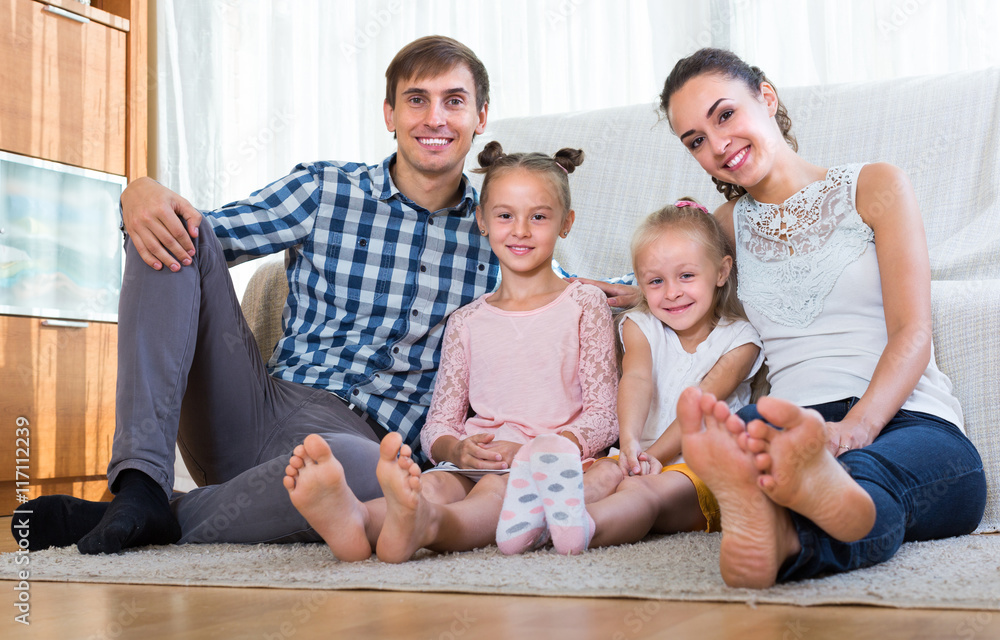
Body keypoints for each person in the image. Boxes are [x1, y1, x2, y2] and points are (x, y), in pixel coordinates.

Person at [15, 35, 503, 553]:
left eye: (454, 101)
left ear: (481, 116)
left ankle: (155, 515)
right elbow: (203, 234)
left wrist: (596, 292)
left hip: (361, 443)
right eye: (416, 99)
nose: (435, 118)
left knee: (366, 468)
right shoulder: (326, 189)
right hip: (258, 405)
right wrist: (139, 194)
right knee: (168, 234)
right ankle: (139, 481)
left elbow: (554, 288)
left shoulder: (502, 228)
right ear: (389, 113)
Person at [657, 47, 986, 588]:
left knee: (865, 470)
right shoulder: (725, 229)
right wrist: (603, 291)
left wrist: (856, 428)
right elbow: (665, 273)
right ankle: (782, 521)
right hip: (791, 424)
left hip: (908, 419)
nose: (717, 145)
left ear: (766, 97)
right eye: (695, 140)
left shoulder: (874, 186)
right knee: (752, 439)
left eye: (725, 115)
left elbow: (914, 332)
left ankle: (793, 524)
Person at [282, 142, 619, 562]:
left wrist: (540, 449)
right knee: (433, 485)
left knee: (497, 489)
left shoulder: (584, 303)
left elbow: (604, 418)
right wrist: (454, 450)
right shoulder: (467, 322)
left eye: (539, 217)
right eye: (504, 216)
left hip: (548, 464)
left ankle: (428, 525)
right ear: (482, 220)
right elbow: (439, 422)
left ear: (565, 223)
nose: (520, 230)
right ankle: (355, 519)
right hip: (474, 457)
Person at [563, 199, 764, 552]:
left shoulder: (740, 340)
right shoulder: (641, 326)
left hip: (704, 468)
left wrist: (654, 457)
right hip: (639, 452)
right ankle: (549, 513)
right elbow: (636, 380)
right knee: (606, 472)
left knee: (640, 490)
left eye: (686, 275)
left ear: (721, 271)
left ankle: (584, 528)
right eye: (655, 281)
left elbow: (699, 406)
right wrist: (629, 445)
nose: (671, 293)